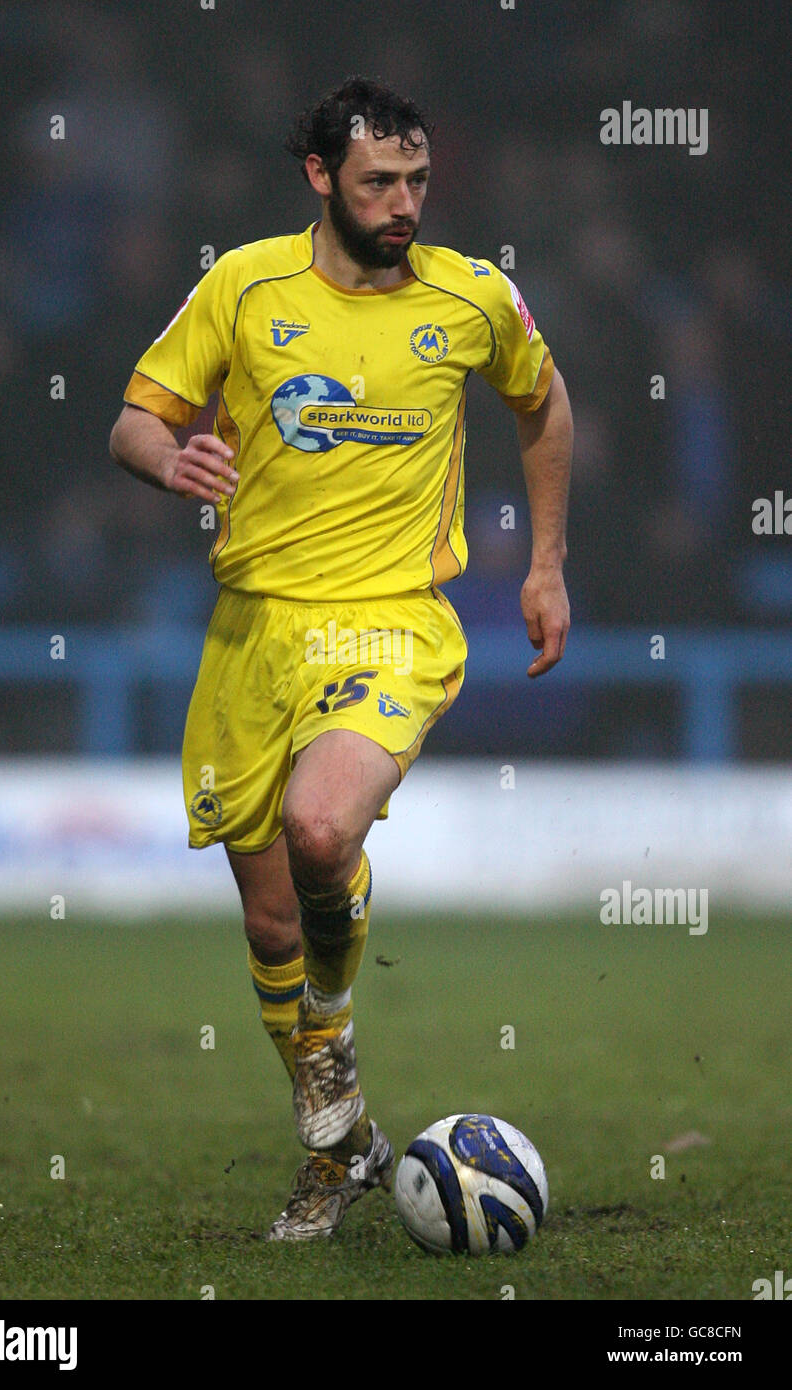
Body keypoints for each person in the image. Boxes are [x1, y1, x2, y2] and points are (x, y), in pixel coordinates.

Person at [109, 75, 572, 1241]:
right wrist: (167, 463)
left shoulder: (471, 298)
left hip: (391, 619)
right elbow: (133, 419)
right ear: (319, 177)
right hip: (252, 631)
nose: (404, 201)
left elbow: (544, 404)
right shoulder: (243, 285)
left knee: (324, 828)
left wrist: (544, 563)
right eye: (378, 182)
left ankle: (330, 1034)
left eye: (417, 179)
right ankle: (341, 1138)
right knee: (271, 924)